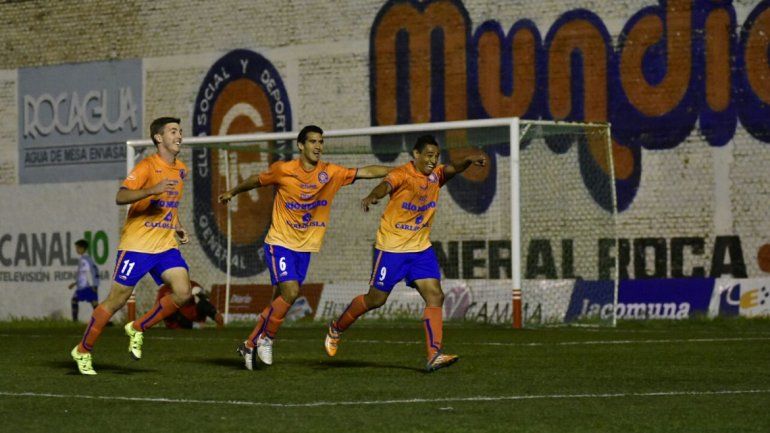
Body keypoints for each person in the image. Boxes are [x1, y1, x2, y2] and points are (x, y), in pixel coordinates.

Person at [218, 124, 391, 370]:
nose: (318, 146)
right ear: (301, 145)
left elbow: (364, 172)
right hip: (279, 242)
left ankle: (249, 344)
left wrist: (398, 172)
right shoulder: (283, 170)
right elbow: (256, 180)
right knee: (291, 292)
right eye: (312, 141)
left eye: (320, 141)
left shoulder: (330, 172)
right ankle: (267, 338)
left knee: (280, 299)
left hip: (305, 247)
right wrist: (232, 192)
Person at [324, 134, 486, 372]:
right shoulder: (401, 174)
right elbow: (385, 185)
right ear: (416, 154)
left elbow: (452, 169)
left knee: (435, 296)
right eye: (428, 155)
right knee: (375, 300)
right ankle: (336, 327)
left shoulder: (436, 176)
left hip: (420, 249)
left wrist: (469, 160)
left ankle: (434, 354)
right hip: (392, 249)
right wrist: (373, 196)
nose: (433, 160)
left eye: (436, 156)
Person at [70, 117, 193, 375]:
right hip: (137, 246)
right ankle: (82, 350)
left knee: (183, 292)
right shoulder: (147, 166)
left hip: (164, 246)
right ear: (159, 138)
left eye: (180, 131)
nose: (179, 135)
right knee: (116, 301)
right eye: (173, 131)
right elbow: (121, 196)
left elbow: (170, 205)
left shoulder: (181, 169)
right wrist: (152, 190)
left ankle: (137, 327)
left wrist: (178, 225)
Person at [157, 280, 223, 329]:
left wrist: (201, 293)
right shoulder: (164, 290)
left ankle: (217, 317)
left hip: (193, 316)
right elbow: (160, 309)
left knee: (203, 303)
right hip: (177, 322)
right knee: (169, 308)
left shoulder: (191, 284)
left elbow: (206, 298)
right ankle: (194, 326)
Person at [68, 239, 100, 322]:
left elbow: (93, 271)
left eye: (77, 248)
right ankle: (102, 321)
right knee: (94, 303)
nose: (76, 250)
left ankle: (75, 321)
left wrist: (95, 285)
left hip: (87, 286)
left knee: (75, 300)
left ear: (82, 248)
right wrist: (75, 283)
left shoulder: (86, 259)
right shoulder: (83, 259)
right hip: (83, 286)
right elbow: (82, 274)